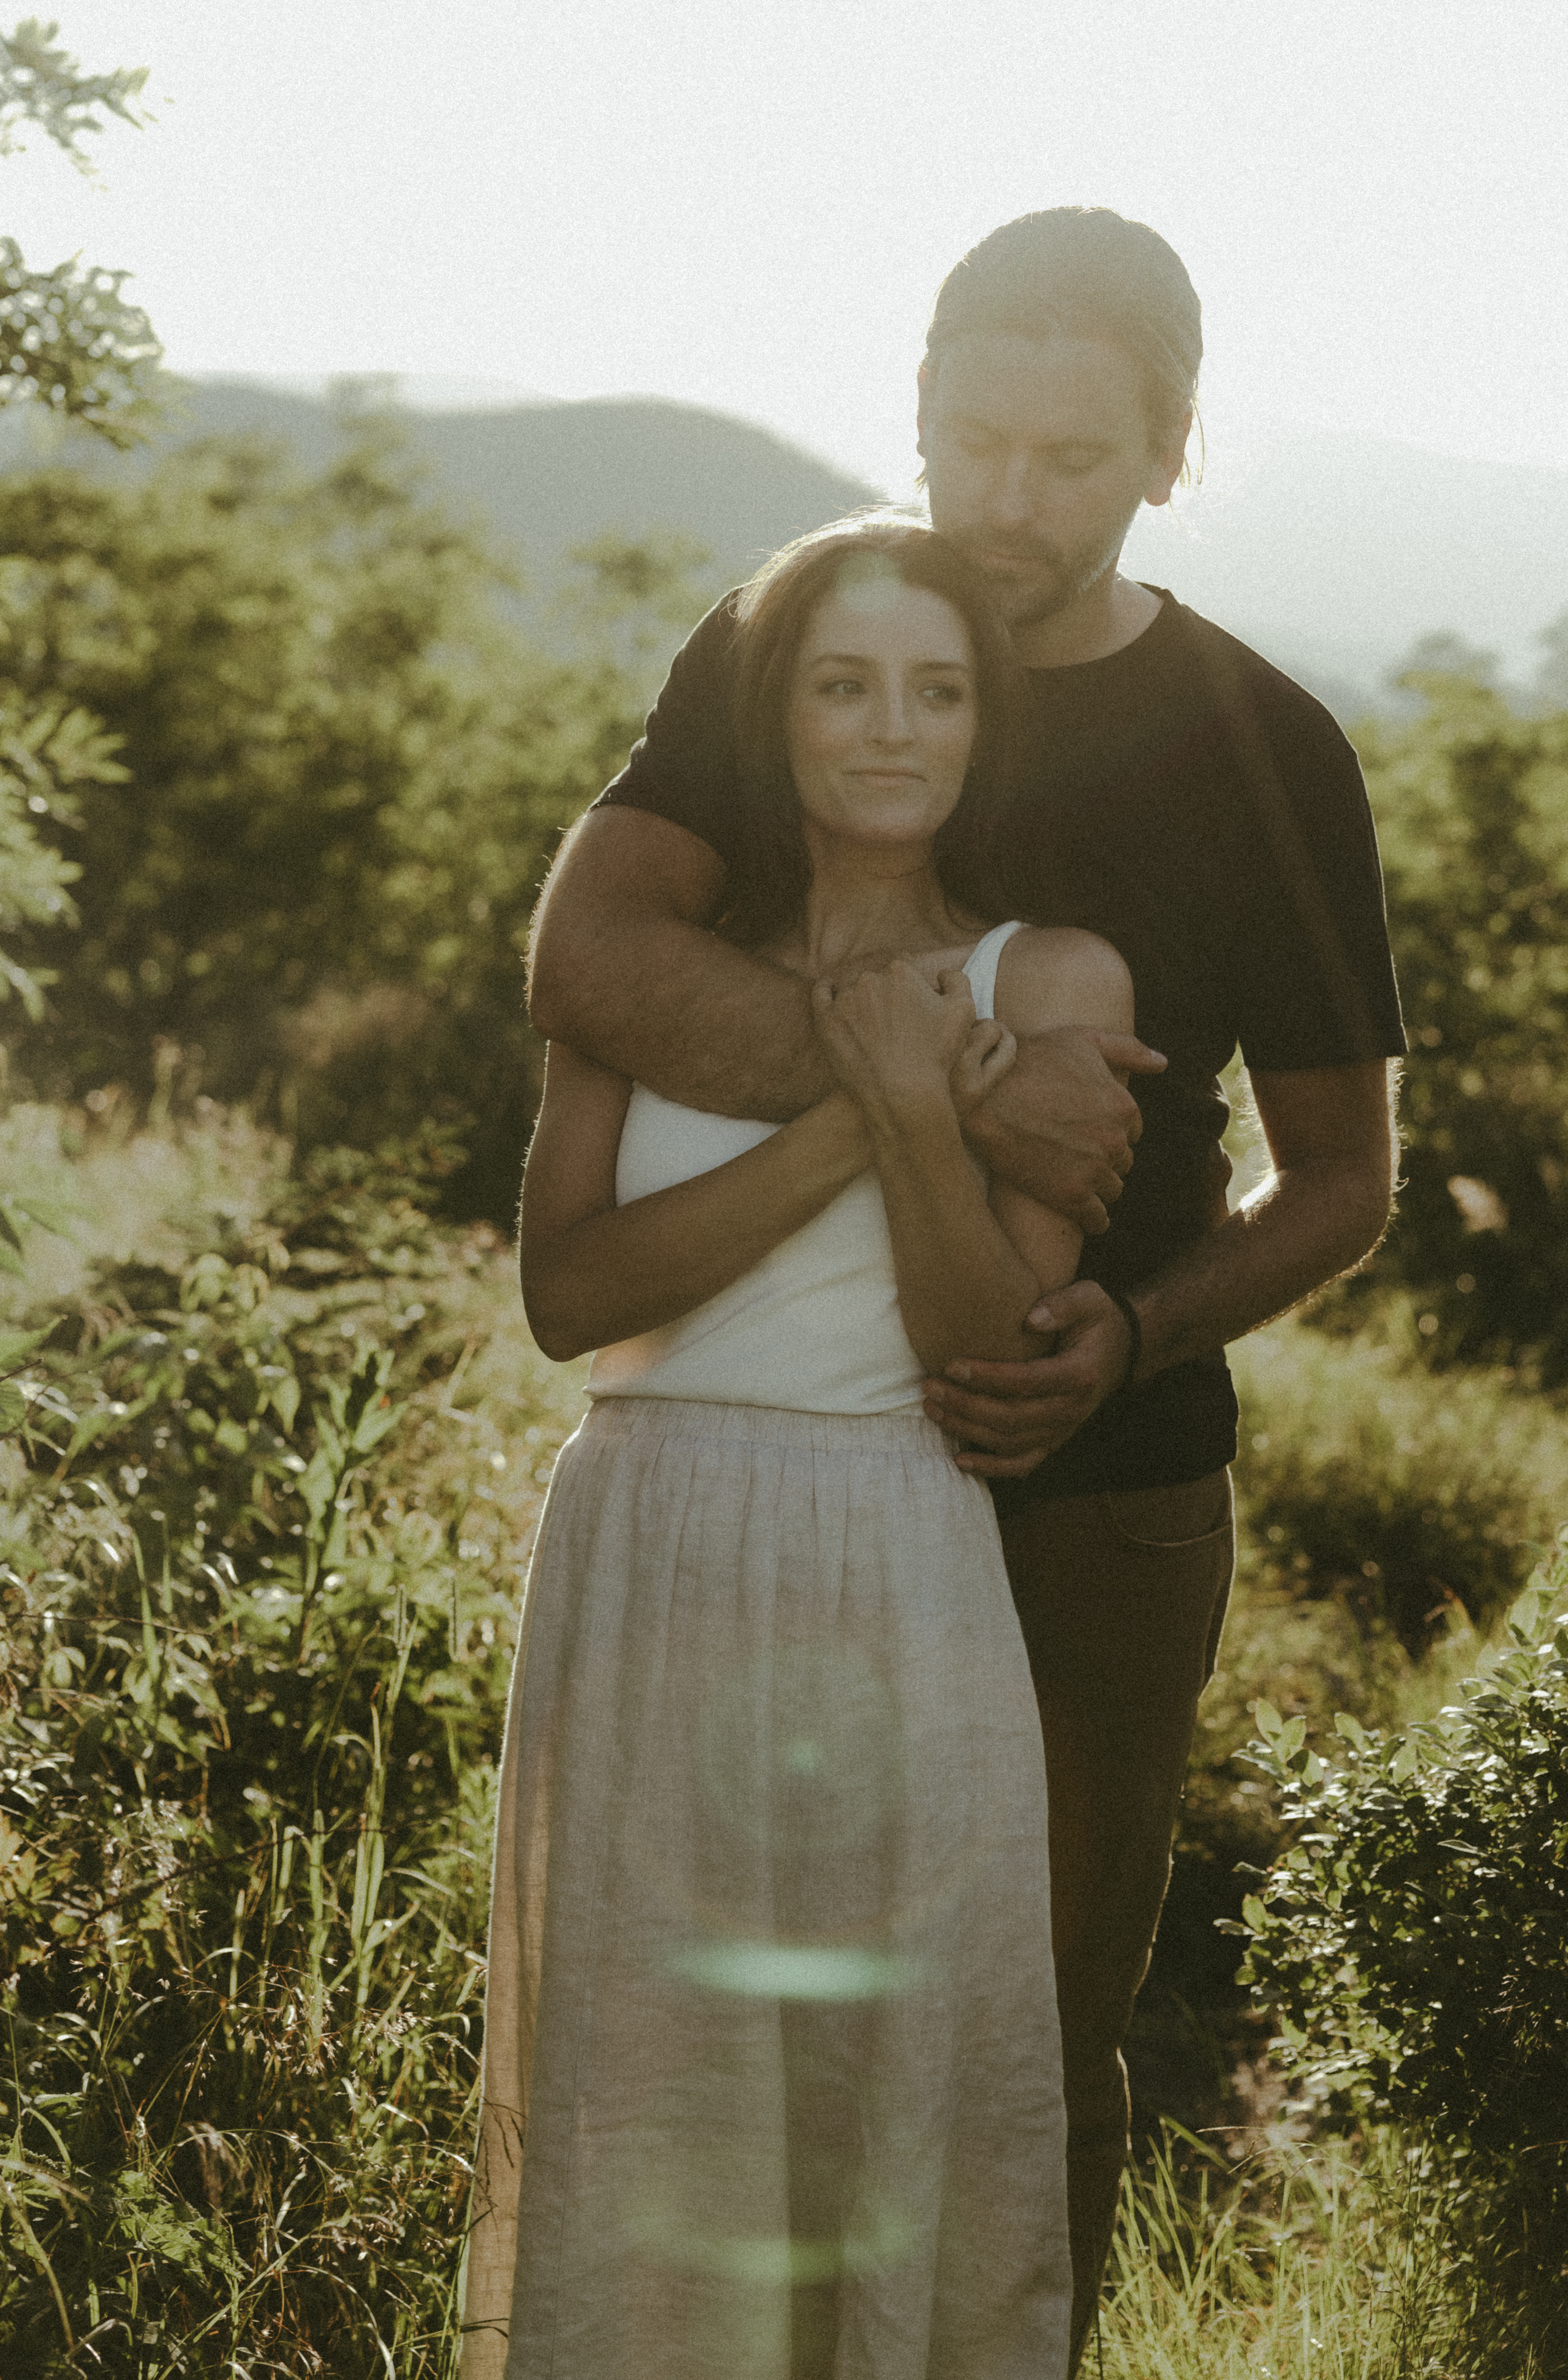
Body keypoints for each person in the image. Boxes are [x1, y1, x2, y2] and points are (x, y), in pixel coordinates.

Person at [526, 207, 1408, 2364]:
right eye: (968, 440)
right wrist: (948, 1081)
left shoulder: (1255, 745)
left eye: (1069, 459)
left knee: (1023, 2031)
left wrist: (1133, 1326)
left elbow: (1345, 1178)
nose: (1005, 505)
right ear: (912, 414)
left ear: (1168, 460)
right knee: (724, 2010)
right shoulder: (806, 660)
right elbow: (590, 960)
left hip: (1091, 1481)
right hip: (771, 1466)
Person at [466, 519, 1139, 2380]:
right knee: (646, 2078)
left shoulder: (1052, 980)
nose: (888, 731)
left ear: (986, 725)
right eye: (842, 687)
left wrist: (930, 1107)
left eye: (934, 690)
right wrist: (872, 1098)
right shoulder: (645, 967)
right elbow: (573, 1297)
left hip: (891, 1543)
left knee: (886, 2082)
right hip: (642, 1539)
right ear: (775, 720)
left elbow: (982, 1355)